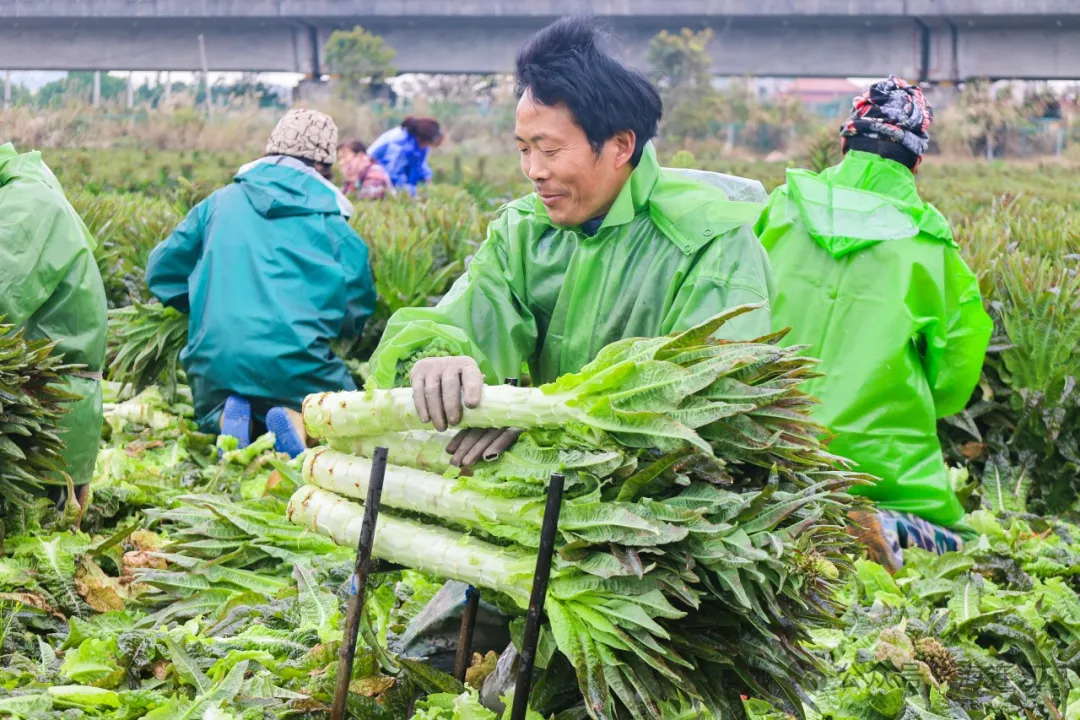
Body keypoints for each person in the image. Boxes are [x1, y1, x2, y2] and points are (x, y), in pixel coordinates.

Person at [368, 16, 774, 469]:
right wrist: (441, 359)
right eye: (523, 149)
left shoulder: (710, 243)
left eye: (550, 149)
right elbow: (465, 317)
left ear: (620, 146)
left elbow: (711, 406)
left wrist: (545, 422)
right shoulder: (524, 231)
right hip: (556, 491)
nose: (534, 171)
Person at [754, 77, 993, 572]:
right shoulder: (928, 245)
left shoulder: (781, 206)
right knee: (968, 550)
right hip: (876, 461)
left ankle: (786, 518)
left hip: (769, 440)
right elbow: (954, 378)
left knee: (767, 500)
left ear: (845, 142)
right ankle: (889, 526)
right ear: (917, 161)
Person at [146, 109, 376, 458]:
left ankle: (226, 417)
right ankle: (293, 418)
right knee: (331, 405)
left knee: (213, 400)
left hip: (216, 359)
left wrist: (206, 303)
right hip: (296, 364)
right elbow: (356, 307)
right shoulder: (334, 227)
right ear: (323, 168)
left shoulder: (218, 204)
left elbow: (161, 271)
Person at [0, 142, 108, 499]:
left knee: (34, 545)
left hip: (45, 420)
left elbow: (3, 295)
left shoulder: (26, 205)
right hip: (46, 414)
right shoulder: (28, 191)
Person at [367, 116, 442, 196]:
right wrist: (410, 191)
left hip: (393, 174)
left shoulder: (418, 143)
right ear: (421, 139)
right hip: (376, 172)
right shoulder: (399, 142)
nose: (428, 146)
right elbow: (392, 174)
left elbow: (420, 163)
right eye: (428, 143)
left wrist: (426, 176)